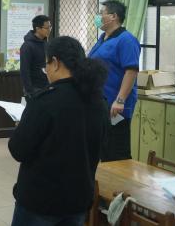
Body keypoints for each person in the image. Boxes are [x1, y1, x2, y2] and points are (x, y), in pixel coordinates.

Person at [9, 36, 109, 226]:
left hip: (41, 202)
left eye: (46, 64)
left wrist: (21, 127)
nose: (46, 70)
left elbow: (18, 150)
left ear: (55, 63)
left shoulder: (44, 101)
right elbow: (101, 145)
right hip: (78, 200)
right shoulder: (98, 101)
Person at [88, 0, 140, 161]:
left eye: (101, 13)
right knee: (102, 150)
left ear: (113, 16)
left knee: (116, 151)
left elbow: (131, 71)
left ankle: (120, 179)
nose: (98, 17)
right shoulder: (103, 38)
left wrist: (120, 100)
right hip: (99, 103)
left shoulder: (126, 40)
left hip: (116, 106)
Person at [19, 15, 51, 100]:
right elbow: (24, 70)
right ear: (38, 29)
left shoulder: (46, 44)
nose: (49, 30)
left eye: (50, 27)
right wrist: (30, 91)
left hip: (47, 87)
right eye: (47, 28)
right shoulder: (27, 46)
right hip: (34, 89)